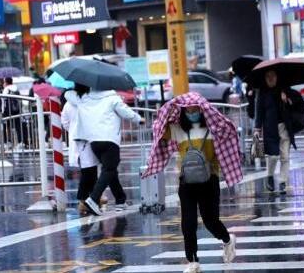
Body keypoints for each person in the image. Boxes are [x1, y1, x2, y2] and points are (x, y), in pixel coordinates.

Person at [143, 93, 242, 273]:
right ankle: (192, 261)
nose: (192, 112)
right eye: (188, 110)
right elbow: (157, 129)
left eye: (196, 109)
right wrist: (167, 109)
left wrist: (215, 114)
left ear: (203, 110)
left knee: (210, 221)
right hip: (186, 181)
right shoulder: (178, 129)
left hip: (209, 180)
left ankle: (228, 239)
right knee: (188, 222)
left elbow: (230, 129)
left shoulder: (214, 127)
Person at [65, 85, 145, 215]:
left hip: (94, 141)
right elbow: (126, 112)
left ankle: (120, 200)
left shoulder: (86, 98)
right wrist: (139, 119)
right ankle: (93, 199)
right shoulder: (112, 98)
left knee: (110, 169)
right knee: (109, 169)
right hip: (109, 139)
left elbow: (68, 95)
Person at [254, 70, 304, 193]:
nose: (270, 79)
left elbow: (297, 104)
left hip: (285, 127)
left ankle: (282, 181)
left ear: (277, 77)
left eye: (273, 76)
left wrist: (287, 100)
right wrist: (257, 128)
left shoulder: (285, 90)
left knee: (285, 157)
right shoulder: (263, 92)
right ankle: (270, 176)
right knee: (273, 156)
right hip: (270, 129)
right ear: (265, 79)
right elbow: (259, 111)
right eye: (268, 76)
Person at [61, 85, 101, 214]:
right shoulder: (89, 102)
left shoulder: (68, 104)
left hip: (76, 140)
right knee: (90, 171)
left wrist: (72, 131)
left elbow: (65, 122)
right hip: (89, 139)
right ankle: (84, 199)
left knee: (87, 170)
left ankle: (92, 199)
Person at [2, 77, 23, 149]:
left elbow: (3, 101)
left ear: (6, 82)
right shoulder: (16, 89)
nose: (3, 84)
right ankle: (20, 142)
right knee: (18, 127)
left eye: (4, 82)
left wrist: (3, 112)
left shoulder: (6, 89)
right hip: (17, 111)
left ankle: (10, 142)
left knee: (8, 126)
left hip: (8, 111)